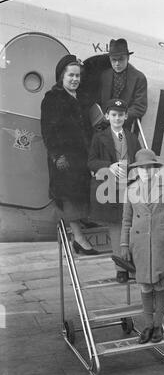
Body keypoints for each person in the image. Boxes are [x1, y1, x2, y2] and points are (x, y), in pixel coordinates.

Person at [120, 149, 164, 343]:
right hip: (139, 244)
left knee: (158, 284)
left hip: (160, 242)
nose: (146, 172)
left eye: (149, 168)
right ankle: (147, 325)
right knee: (145, 286)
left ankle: (157, 326)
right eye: (142, 169)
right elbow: (126, 220)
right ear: (136, 171)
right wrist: (124, 244)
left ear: (155, 170)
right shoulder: (130, 190)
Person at [41, 54, 99, 255]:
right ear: (61, 77)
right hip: (65, 158)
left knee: (81, 192)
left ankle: (82, 229)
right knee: (69, 196)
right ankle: (79, 238)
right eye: (70, 76)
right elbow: (47, 132)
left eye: (77, 76)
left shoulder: (81, 97)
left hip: (83, 155)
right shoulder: (53, 98)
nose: (75, 79)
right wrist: (58, 157)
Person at [87, 98, 141, 282]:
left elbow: (140, 161)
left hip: (130, 188)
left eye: (120, 115)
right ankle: (121, 269)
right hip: (110, 189)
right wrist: (109, 165)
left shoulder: (133, 138)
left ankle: (133, 266)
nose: (117, 118)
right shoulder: (99, 137)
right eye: (113, 115)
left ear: (126, 116)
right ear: (107, 116)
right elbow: (91, 162)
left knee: (131, 228)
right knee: (116, 230)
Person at [96, 38, 147, 130]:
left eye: (121, 59)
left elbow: (140, 107)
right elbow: (98, 99)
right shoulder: (104, 75)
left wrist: (116, 117)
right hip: (102, 127)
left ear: (128, 57)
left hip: (123, 128)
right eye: (113, 60)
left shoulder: (139, 78)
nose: (117, 63)